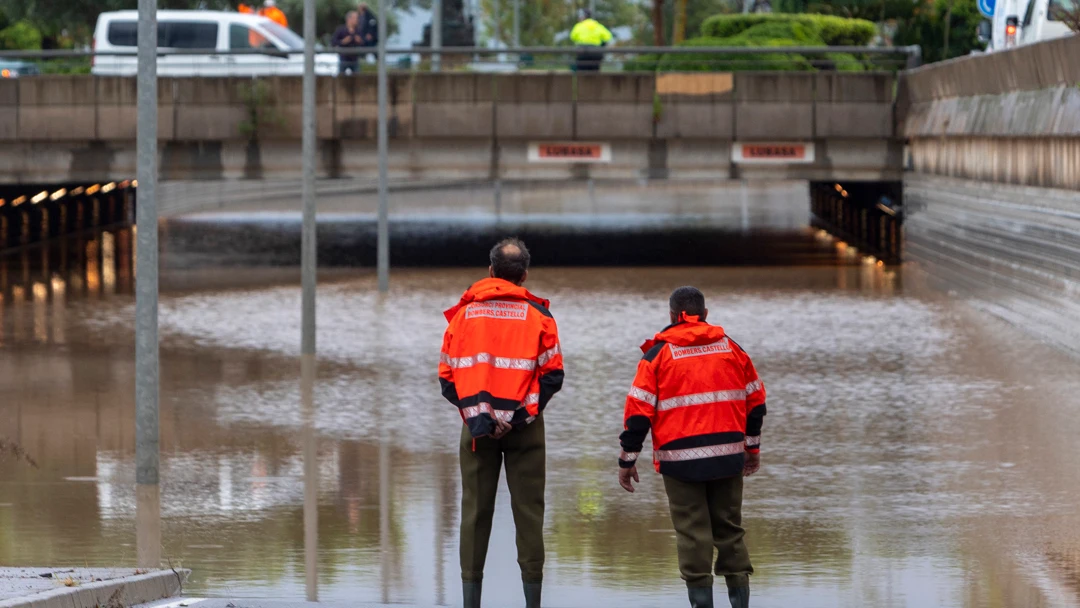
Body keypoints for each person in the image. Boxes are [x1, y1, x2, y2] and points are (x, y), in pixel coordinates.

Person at [617, 286, 767, 608]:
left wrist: (627, 460)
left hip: (680, 463)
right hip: (728, 458)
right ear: (706, 315)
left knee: (692, 535)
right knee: (730, 531)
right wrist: (751, 449)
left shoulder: (657, 356)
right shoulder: (732, 349)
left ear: (672, 316)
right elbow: (756, 403)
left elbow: (638, 413)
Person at [439, 238, 564, 608]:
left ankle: (470, 600)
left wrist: (481, 418)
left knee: (475, 512)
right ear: (524, 275)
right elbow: (553, 377)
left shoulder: (464, 315)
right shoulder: (539, 316)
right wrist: (520, 416)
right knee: (529, 513)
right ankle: (533, 602)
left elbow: (448, 378)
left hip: (477, 430)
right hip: (526, 429)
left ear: (491, 271)